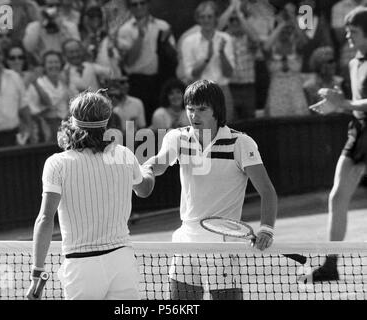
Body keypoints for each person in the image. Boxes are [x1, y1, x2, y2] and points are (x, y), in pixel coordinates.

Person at [143, 80, 278, 300]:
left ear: (217, 111)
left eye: (202, 109)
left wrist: (266, 229)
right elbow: (159, 163)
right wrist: (144, 169)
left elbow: (267, 191)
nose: (194, 116)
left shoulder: (241, 143)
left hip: (223, 242)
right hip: (186, 237)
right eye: (190, 109)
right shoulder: (176, 138)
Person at [26, 90, 155, 300]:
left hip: (81, 268)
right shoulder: (124, 154)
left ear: (73, 121)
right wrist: (148, 170)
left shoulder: (57, 163)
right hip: (122, 262)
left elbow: (45, 218)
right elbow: (144, 190)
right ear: (107, 122)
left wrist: (37, 273)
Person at [308, 7, 367, 282]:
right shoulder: (354, 63)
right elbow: (356, 105)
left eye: (353, 31)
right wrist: (337, 106)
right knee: (337, 196)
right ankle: (330, 265)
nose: (347, 36)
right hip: (360, 134)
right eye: (346, 31)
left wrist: (343, 103)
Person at [117, 0, 175, 125]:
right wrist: (140, 37)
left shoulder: (162, 25)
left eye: (142, 3)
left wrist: (165, 43)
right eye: (134, 4)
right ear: (130, 8)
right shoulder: (125, 30)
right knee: (140, 123)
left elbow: (173, 56)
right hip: (136, 82)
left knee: (159, 120)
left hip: (159, 80)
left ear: (148, 5)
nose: (139, 7)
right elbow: (129, 62)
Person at [181, 1, 236, 122]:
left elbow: (229, 73)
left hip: (222, 91)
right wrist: (207, 58)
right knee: (201, 135)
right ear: (197, 19)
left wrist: (221, 54)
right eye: (202, 17)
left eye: (210, 16)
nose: (206, 20)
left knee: (225, 133)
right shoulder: (188, 41)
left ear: (216, 18)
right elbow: (191, 75)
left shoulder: (225, 39)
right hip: (199, 93)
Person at [263, 13, 309, 117]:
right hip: (276, 92)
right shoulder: (272, 49)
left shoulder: (296, 46)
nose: (285, 32)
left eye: (288, 29)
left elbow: (304, 41)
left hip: (296, 91)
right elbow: (266, 47)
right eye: (282, 29)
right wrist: (281, 25)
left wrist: (293, 19)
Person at [27, 51, 77, 142]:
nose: (54, 65)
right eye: (50, 62)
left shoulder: (64, 83)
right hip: (46, 129)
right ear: (44, 66)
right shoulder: (37, 83)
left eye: (56, 62)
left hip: (66, 128)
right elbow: (32, 110)